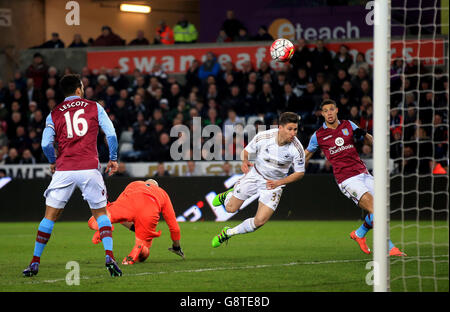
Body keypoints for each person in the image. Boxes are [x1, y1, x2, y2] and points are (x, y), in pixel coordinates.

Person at [22, 74, 122, 277]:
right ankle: (109, 256)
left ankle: (34, 262)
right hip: (89, 168)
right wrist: (113, 158)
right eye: (82, 87)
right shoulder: (94, 107)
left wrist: (53, 161)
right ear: (78, 89)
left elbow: (44, 144)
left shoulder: (54, 113)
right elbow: (110, 134)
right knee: (101, 214)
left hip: (65, 169)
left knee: (49, 217)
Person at [304, 99, 406, 257]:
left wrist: (364, 134)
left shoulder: (349, 125)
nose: (329, 113)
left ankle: (359, 233)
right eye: (326, 110)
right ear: (322, 114)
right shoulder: (318, 135)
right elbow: (306, 156)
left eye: (331, 109)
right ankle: (389, 247)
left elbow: (373, 142)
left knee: (382, 209)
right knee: (375, 208)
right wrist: (294, 172)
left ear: (336, 110)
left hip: (363, 173)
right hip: (347, 179)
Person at [210, 112, 305, 247]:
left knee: (259, 222)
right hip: (255, 175)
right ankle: (227, 195)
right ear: (280, 127)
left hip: (274, 184)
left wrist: (279, 182)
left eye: (295, 129)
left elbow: (300, 173)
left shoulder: (297, 149)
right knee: (230, 209)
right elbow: (246, 151)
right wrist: (244, 161)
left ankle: (227, 233)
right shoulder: (264, 136)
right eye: (290, 129)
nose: (293, 133)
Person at [87, 179, 184, 265]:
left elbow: (120, 204)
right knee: (144, 252)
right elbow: (174, 227)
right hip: (149, 212)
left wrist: (129, 226)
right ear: (156, 187)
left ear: (145, 182)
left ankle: (106, 226)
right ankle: (138, 249)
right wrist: (176, 247)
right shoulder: (163, 193)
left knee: (96, 219)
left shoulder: (135, 183)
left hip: (127, 207)